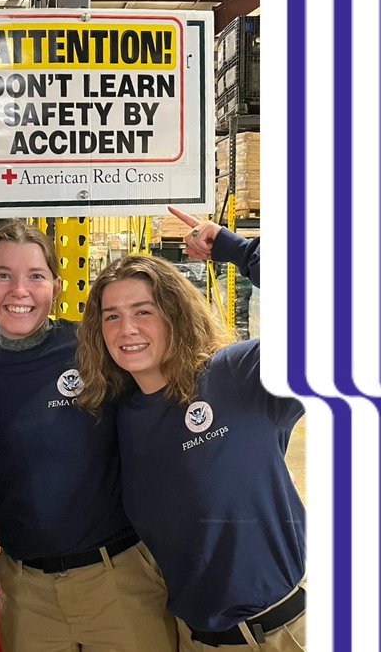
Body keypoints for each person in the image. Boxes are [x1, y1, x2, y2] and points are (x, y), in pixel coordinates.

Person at [76, 227, 305, 651]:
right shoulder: (119, 418)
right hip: (197, 640)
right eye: (112, 316)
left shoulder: (237, 376)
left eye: (144, 311)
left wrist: (235, 248)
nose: (127, 329)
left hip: (286, 632)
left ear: (175, 313)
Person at [0, 220, 177, 651]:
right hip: (26, 594)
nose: (19, 291)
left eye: (36, 276)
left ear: (56, 286)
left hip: (118, 579)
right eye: (3, 275)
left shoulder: (94, 349)